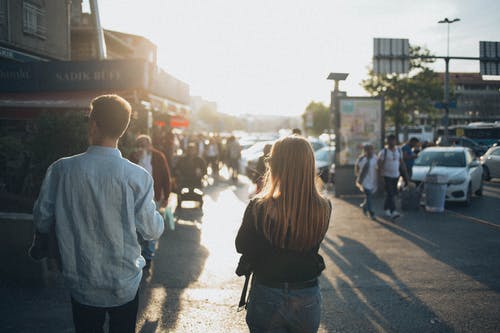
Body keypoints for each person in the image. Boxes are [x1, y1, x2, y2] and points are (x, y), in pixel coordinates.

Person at [29, 94, 164, 333]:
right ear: (122, 129)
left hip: (81, 279)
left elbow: (42, 216)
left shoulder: (61, 169)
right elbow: (152, 229)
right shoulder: (137, 176)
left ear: (93, 124)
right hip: (124, 280)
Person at [235, 136, 332, 333]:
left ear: (278, 165)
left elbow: (241, 245)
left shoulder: (259, 207)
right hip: (306, 292)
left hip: (267, 289)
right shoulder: (323, 207)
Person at [130, 134, 172, 270]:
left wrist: (166, 196)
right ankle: (139, 253)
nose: (142, 146)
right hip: (135, 198)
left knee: (151, 225)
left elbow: (166, 176)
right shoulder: (132, 157)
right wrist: (135, 159)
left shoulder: (158, 157)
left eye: (144, 143)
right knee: (136, 227)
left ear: (150, 144)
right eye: (139, 143)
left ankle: (148, 255)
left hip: (154, 196)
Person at [377, 134, 409, 219]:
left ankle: (386, 208)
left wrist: (405, 174)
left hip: (396, 175)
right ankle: (393, 211)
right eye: (390, 140)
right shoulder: (384, 152)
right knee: (391, 193)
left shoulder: (398, 150)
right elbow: (379, 164)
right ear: (387, 141)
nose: (392, 142)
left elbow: (401, 162)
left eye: (393, 140)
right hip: (386, 175)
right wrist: (380, 177)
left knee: (391, 193)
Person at [355, 144, 378, 220]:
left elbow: (378, 168)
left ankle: (364, 206)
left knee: (369, 196)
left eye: (371, 149)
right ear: (364, 151)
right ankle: (371, 212)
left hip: (372, 180)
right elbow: (357, 169)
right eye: (367, 150)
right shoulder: (361, 159)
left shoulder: (375, 158)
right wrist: (359, 177)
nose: (370, 151)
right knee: (369, 196)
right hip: (364, 181)